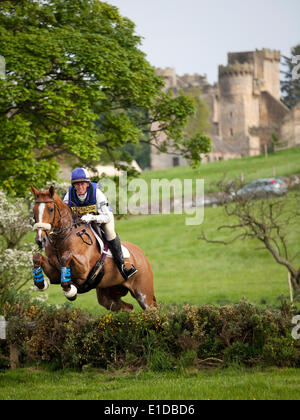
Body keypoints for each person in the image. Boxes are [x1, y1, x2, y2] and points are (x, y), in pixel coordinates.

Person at [63, 168, 138, 280]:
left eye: (82, 184)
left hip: (101, 218)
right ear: (73, 185)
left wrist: (92, 217)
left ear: (88, 184)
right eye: (77, 185)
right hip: (81, 223)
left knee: (110, 234)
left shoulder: (96, 193)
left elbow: (107, 216)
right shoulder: (69, 195)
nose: (80, 187)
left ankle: (122, 266)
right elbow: (64, 213)